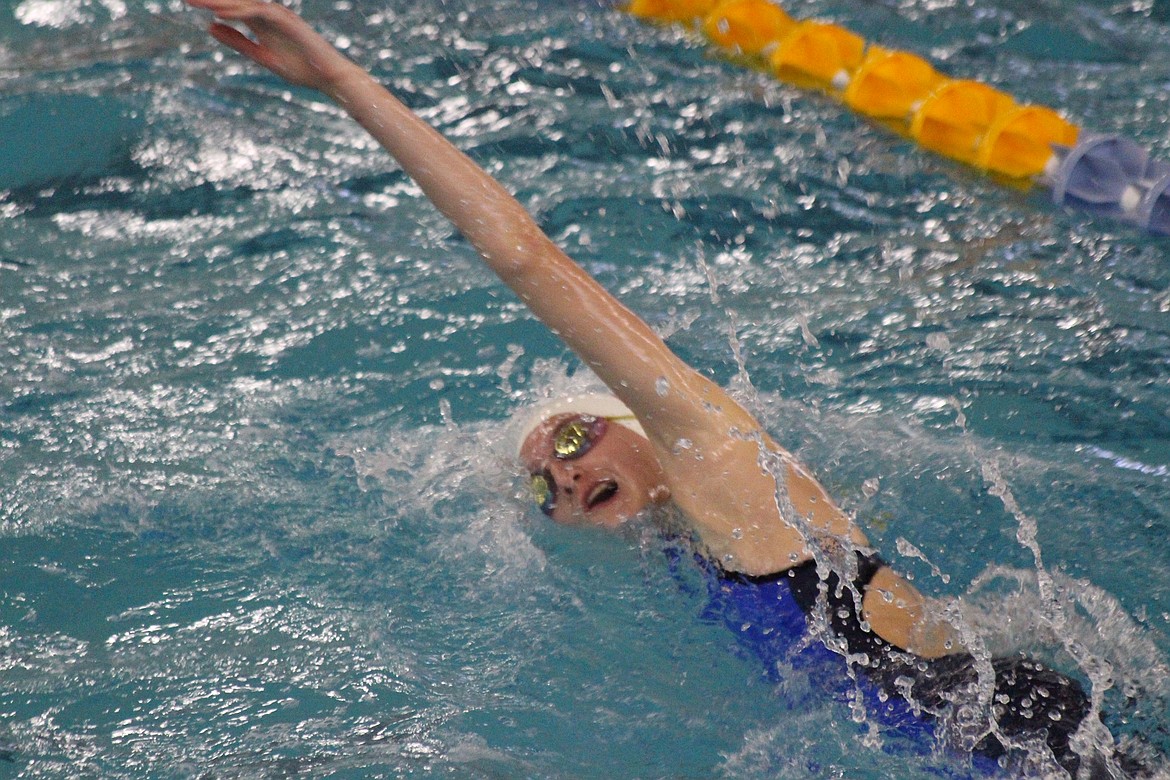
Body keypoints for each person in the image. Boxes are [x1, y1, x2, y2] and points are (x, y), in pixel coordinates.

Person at [186, 2, 1150, 775]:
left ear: (626, 418)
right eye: (540, 488)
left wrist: (345, 83)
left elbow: (522, 255)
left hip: (1010, 740)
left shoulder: (716, 461)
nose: (561, 479)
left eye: (569, 442)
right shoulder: (705, 552)